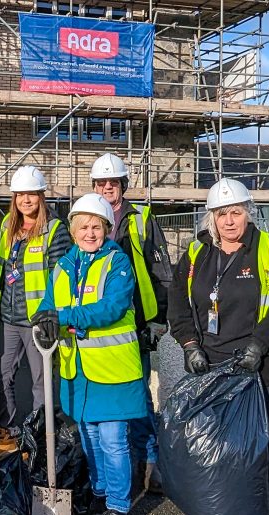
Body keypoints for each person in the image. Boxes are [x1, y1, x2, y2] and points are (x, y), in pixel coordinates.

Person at [31, 193, 147, 515]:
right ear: (74, 229)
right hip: (77, 372)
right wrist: (43, 317)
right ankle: (98, 494)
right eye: (84, 226)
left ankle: (117, 507)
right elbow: (50, 303)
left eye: (97, 226)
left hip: (112, 370)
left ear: (107, 228)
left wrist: (64, 318)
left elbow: (110, 308)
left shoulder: (118, 263)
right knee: (90, 438)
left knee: (113, 441)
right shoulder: (64, 265)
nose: (90, 232)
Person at [168, 178, 269, 430]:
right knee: (215, 444)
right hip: (210, 364)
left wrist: (259, 346)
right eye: (222, 214)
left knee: (252, 446)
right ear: (212, 218)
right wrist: (189, 345)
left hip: (264, 366)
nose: (229, 221)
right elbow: (178, 303)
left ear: (248, 214)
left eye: (236, 212)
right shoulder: (196, 252)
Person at [90, 153, 173, 496]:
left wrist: (159, 319)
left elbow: (161, 271)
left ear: (123, 185)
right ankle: (110, 468)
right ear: (94, 186)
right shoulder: (89, 217)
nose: (108, 187)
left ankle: (149, 464)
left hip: (136, 323)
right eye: (101, 183)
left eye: (113, 182)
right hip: (98, 326)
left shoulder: (141, 219)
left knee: (137, 395)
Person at [0, 165, 71, 460]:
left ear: (41, 196)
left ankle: (38, 442)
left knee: (40, 383)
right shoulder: (8, 225)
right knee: (2, 376)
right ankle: (10, 435)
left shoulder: (55, 230)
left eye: (32, 194)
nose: (26, 200)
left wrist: (52, 315)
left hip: (37, 321)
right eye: (20, 194)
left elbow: (62, 277)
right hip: (6, 318)